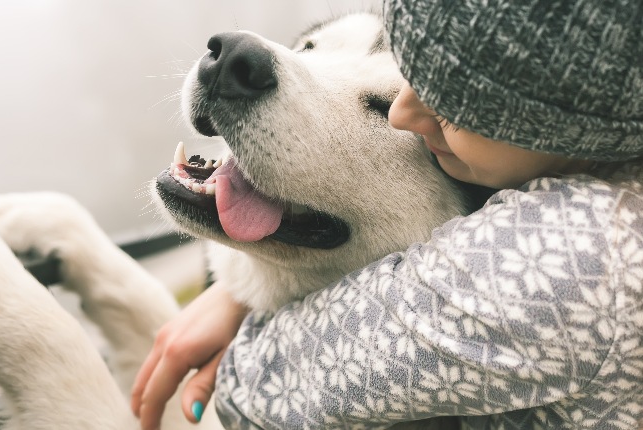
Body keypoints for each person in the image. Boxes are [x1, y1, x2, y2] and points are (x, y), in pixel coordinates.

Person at [132, 0, 643, 428]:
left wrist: (250, 301)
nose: (404, 113)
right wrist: (240, 290)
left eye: (447, 110)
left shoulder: (572, 258)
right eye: (312, 47)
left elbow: (249, 394)